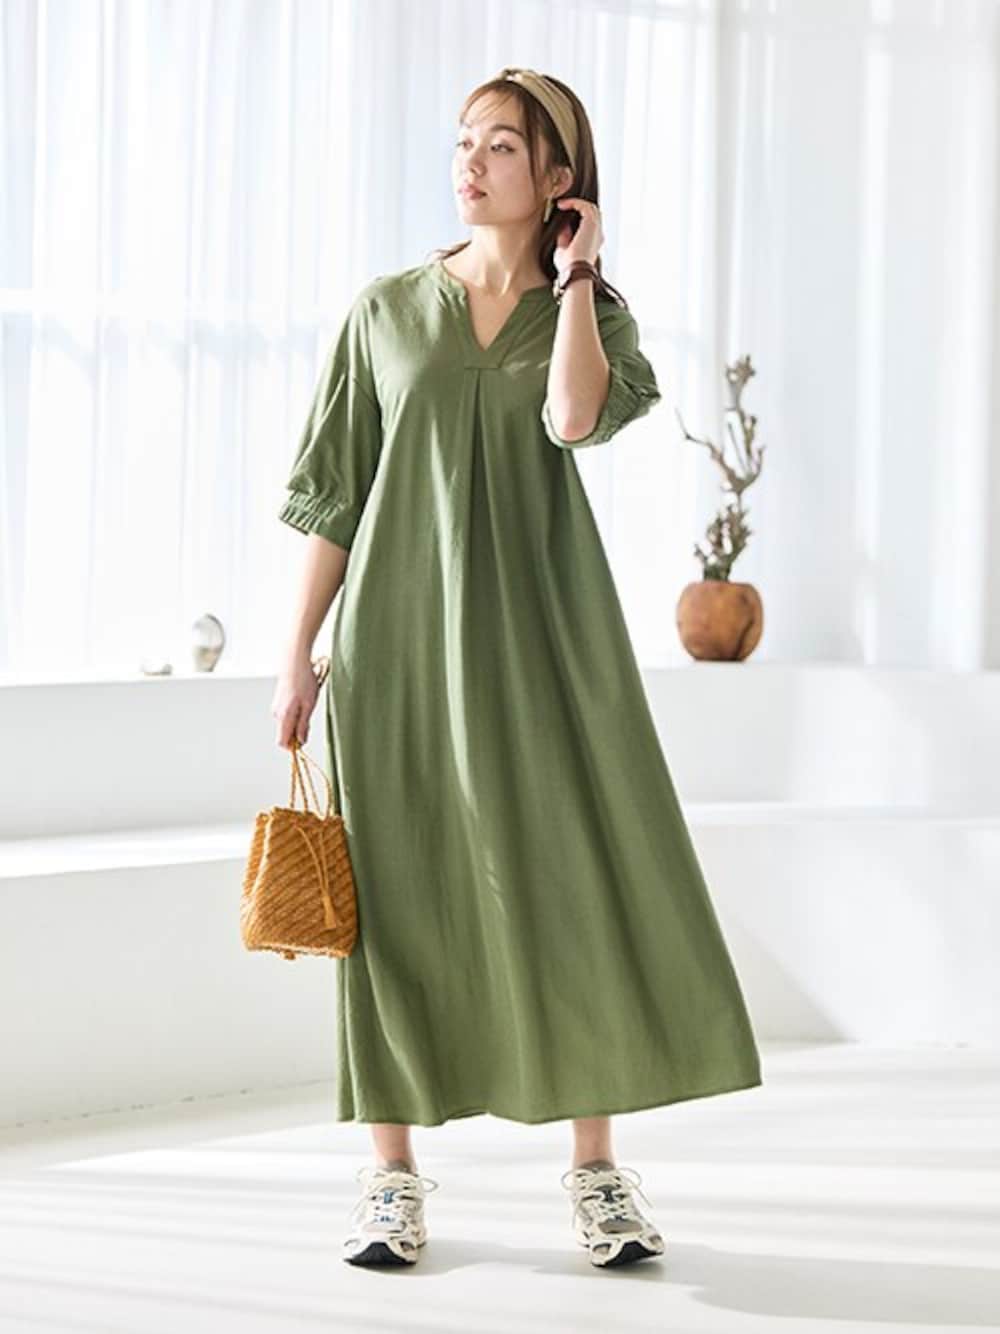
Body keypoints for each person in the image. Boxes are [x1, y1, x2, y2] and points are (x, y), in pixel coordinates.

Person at [271, 67, 762, 1270]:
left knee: (570, 877)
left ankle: (595, 1171)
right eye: (463, 142)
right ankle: (390, 1178)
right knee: (394, 896)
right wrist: (296, 655)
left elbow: (574, 419)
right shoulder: (386, 310)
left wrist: (578, 275)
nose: (471, 162)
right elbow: (335, 495)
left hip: (546, 636)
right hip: (394, 642)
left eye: (501, 145)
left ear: (557, 177)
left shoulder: (586, 314)